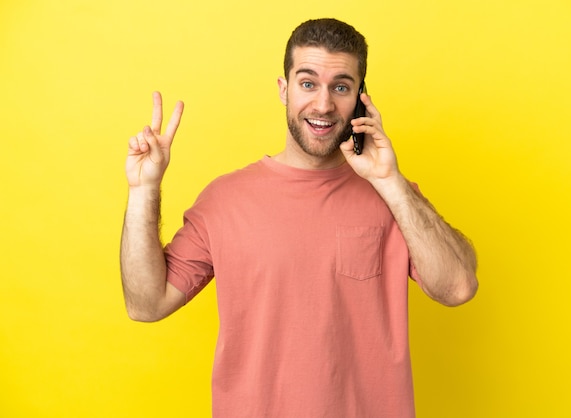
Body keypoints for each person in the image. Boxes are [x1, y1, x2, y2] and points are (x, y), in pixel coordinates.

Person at [121, 18, 478, 418]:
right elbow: (146, 304)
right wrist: (144, 189)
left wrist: (391, 182)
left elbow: (459, 287)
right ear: (283, 89)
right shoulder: (225, 200)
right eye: (308, 83)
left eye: (340, 87)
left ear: (361, 97)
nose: (323, 104)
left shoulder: (393, 198)